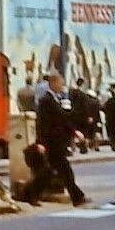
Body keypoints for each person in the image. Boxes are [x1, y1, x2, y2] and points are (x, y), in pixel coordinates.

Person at [29, 70, 86, 207]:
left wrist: (73, 132)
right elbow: (41, 123)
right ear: (53, 83)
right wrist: (40, 142)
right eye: (60, 83)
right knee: (60, 171)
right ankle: (77, 197)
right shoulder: (45, 100)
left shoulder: (57, 99)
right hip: (50, 142)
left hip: (57, 142)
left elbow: (62, 120)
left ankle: (77, 197)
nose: (62, 86)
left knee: (56, 172)